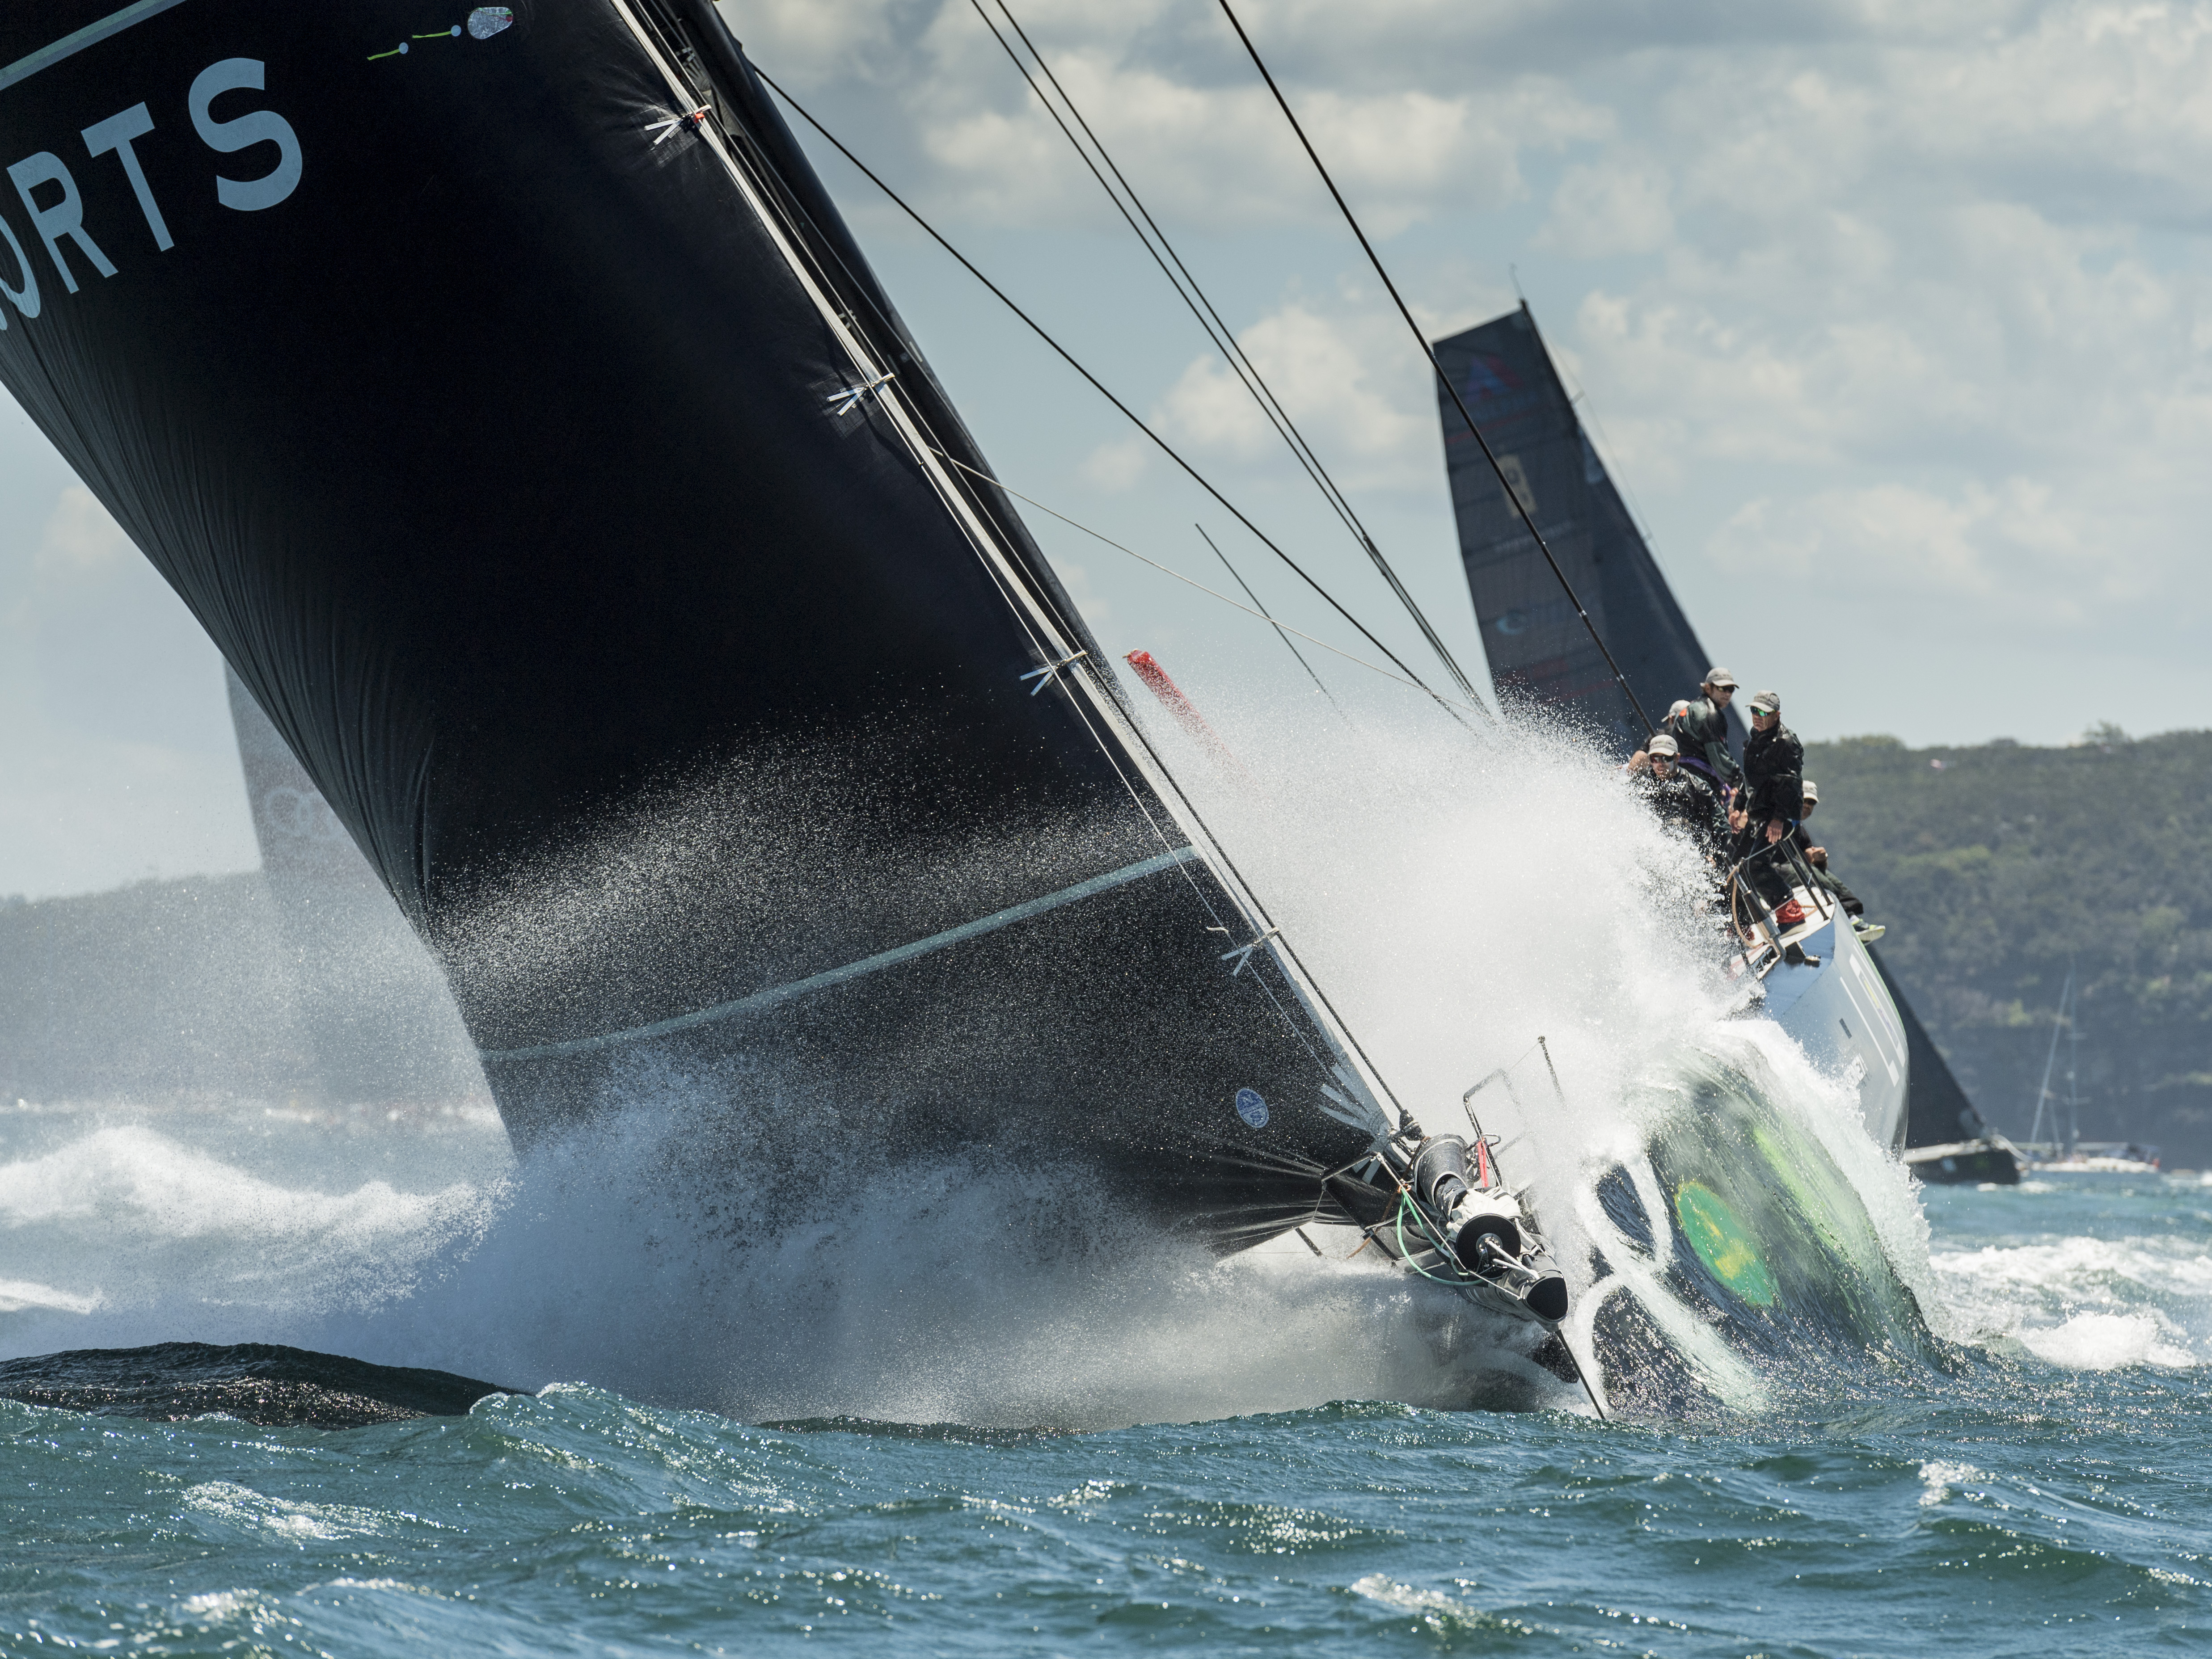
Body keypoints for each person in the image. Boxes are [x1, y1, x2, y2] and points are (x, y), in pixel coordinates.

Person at [1731, 689, 1803, 916]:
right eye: (1754, 710)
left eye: (1763, 712)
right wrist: (1738, 808)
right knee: (1736, 868)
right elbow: (1749, 779)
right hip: (1760, 814)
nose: (1757, 716)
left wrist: (1779, 819)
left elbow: (1790, 784)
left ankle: (1790, 910)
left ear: (1777, 715)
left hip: (1782, 816)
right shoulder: (1755, 739)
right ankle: (1744, 923)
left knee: (1756, 865)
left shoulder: (1787, 742)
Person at [1791, 780, 1885, 941]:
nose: (1807, 806)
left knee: (1832, 880)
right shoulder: (1780, 823)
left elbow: (1807, 855)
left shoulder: (1801, 831)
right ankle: (1848, 922)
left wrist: (1820, 858)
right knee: (1818, 879)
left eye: (1812, 803)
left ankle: (1853, 919)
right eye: (1804, 801)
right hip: (1778, 869)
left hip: (1796, 868)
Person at [1636, 733, 1729, 865]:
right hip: (1652, 848)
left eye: (1666, 758)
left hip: (1691, 853)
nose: (1660, 764)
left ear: (1677, 758)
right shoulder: (1642, 781)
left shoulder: (1698, 788)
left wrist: (1714, 856)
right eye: (1655, 759)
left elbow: (1722, 826)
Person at [1668, 668, 1743, 799]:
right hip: (1699, 785)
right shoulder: (1710, 714)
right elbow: (1719, 758)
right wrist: (1741, 783)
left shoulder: (1694, 707)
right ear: (1708, 688)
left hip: (1682, 780)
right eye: (1722, 688)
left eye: (1731, 689)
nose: (1727, 694)